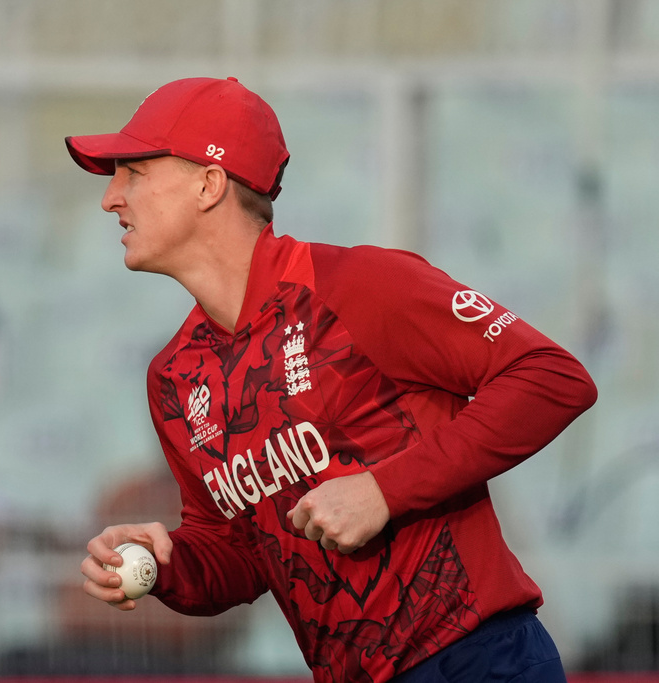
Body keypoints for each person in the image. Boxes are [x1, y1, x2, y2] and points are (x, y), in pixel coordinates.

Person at [64, 76, 598, 683]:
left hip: (475, 659)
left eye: (133, 173)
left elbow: (553, 377)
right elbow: (238, 553)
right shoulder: (175, 376)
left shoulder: (355, 286)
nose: (111, 198)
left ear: (209, 184)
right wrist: (166, 563)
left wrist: (384, 491)